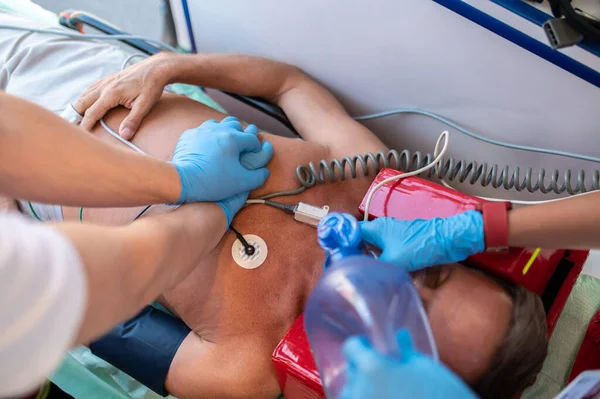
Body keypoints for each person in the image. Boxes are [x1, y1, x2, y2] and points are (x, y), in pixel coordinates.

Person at [0, 16, 546, 399]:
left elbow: (71, 308)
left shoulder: (247, 369)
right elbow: (288, 84)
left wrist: (9, 212)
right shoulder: (368, 178)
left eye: (406, 319)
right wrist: (166, 68)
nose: (394, 279)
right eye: (434, 275)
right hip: (90, 73)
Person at [0, 92, 272, 397]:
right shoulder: (245, 374)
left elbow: (287, 83)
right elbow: (111, 273)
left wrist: (181, 180)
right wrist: (205, 207)